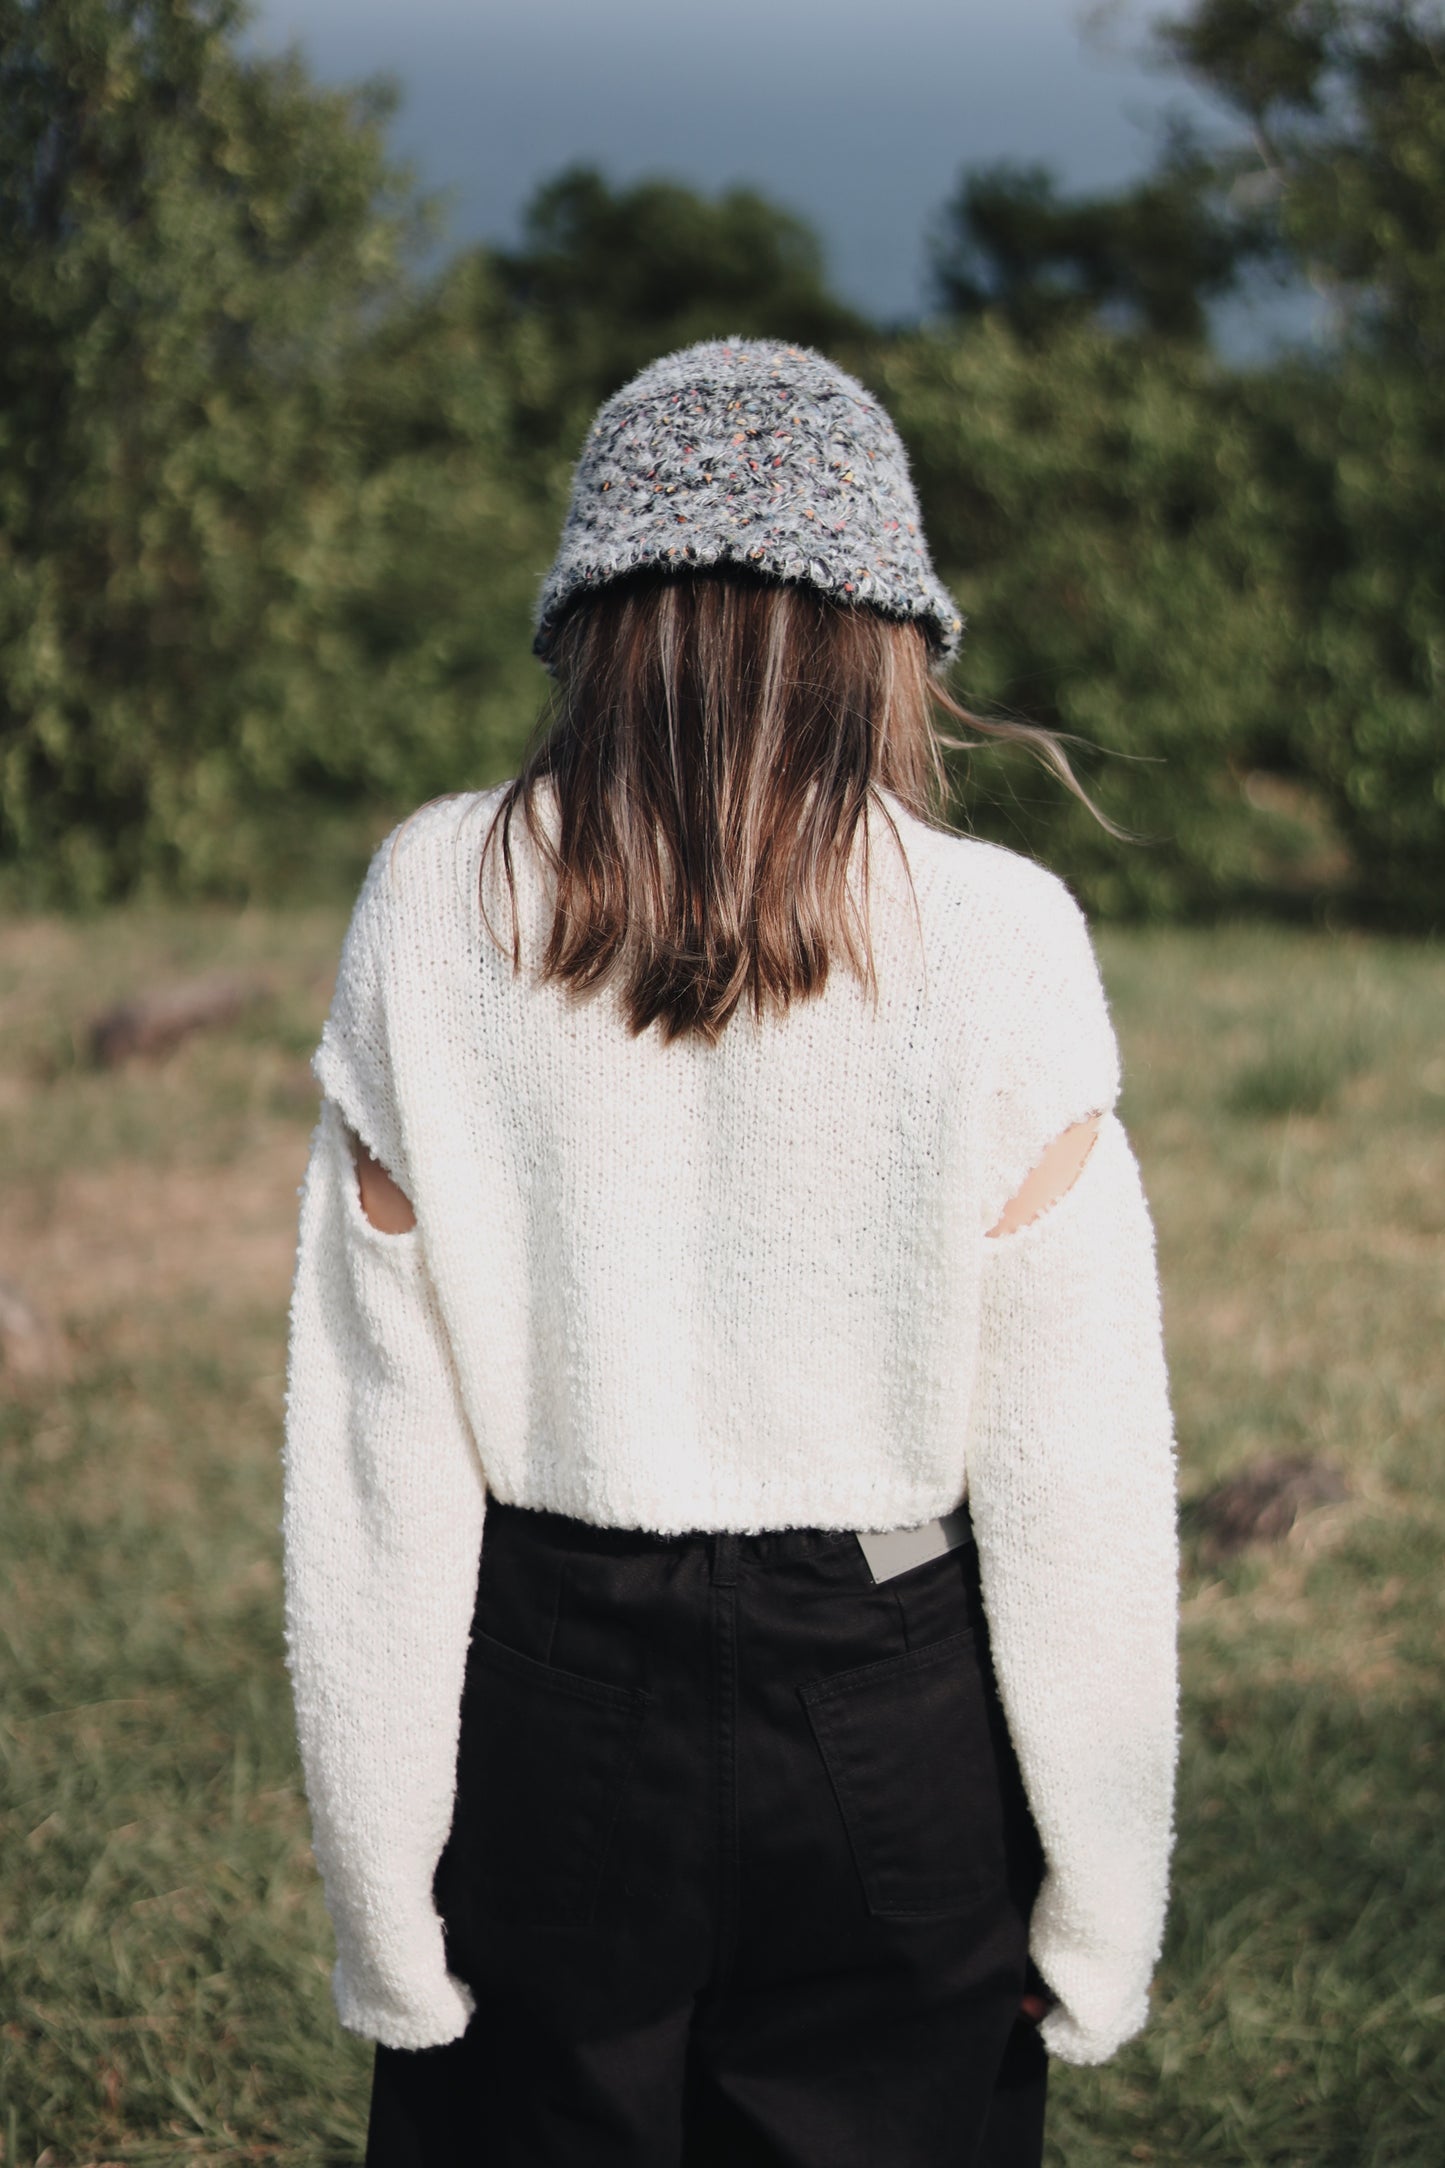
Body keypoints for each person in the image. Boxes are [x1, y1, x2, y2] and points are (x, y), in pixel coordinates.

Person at [281, 337, 1180, 2168]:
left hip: (542, 1696)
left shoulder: (427, 900)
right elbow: (1074, 1475)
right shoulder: (1006, 935)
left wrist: (381, 1884)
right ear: (885, 634)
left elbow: (380, 1457)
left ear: (591, 622)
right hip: (895, 1714)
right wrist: (1099, 1895)